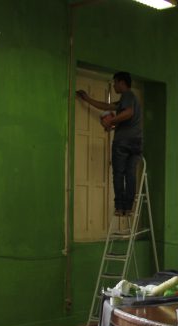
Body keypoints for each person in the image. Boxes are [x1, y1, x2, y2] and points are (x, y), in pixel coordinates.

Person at [76, 71, 142, 217]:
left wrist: (110, 121)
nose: (113, 86)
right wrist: (87, 99)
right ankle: (128, 208)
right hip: (136, 142)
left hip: (123, 141)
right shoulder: (128, 100)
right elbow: (106, 106)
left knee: (118, 173)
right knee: (130, 174)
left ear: (121, 83)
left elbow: (129, 113)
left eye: (115, 82)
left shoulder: (127, 95)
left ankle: (119, 207)